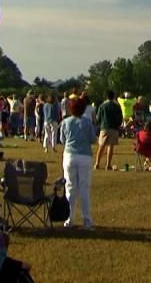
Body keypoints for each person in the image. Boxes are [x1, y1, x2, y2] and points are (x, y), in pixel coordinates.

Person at [59, 96, 96, 229]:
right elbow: (93, 139)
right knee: (84, 189)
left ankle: (70, 219)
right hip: (85, 156)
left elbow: (62, 140)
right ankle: (87, 220)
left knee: (70, 188)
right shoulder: (87, 122)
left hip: (69, 155)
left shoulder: (66, 122)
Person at [94, 90, 123, 171]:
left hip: (104, 127)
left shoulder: (102, 106)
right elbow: (120, 117)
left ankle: (97, 163)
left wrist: (100, 124)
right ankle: (108, 164)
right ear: (113, 96)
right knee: (111, 146)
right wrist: (118, 124)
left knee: (101, 146)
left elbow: (98, 118)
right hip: (113, 127)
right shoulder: (117, 106)